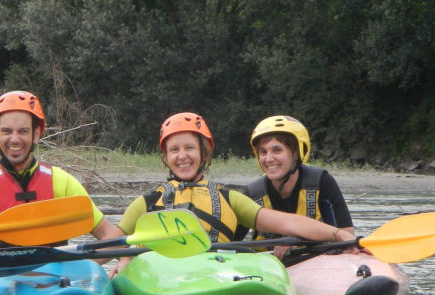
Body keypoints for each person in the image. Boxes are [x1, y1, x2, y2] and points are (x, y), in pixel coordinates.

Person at [110, 112, 356, 276]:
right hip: (160, 275)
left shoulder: (230, 198)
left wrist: (339, 235)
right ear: (165, 157)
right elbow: (107, 247)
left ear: (204, 153)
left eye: (189, 148)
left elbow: (288, 222)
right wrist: (122, 262)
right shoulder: (146, 202)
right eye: (174, 150)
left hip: (213, 275)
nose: (182, 156)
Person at [0, 90, 119, 255]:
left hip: (55, 285)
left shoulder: (62, 183)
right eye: (7, 131)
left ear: (36, 135)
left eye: (23, 131)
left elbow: (110, 236)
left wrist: (109, 263)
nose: (14, 139)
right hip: (0, 286)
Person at [245, 115, 354, 259]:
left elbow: (348, 237)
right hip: (269, 269)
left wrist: (297, 242)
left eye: (277, 150)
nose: (269, 159)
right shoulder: (252, 193)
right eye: (263, 152)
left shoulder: (322, 182)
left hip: (319, 263)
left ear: (296, 153)